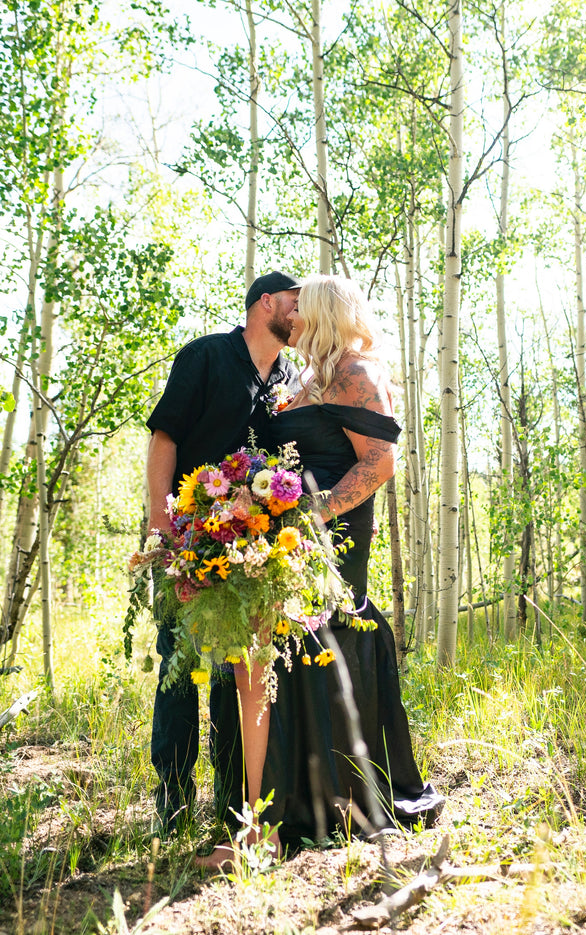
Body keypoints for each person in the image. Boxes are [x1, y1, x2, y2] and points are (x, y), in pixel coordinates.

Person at [200, 274, 443, 866]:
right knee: (275, 652)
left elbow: (381, 463)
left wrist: (312, 513)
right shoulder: (309, 376)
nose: (293, 320)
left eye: (301, 310)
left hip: (332, 533)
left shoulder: (359, 371)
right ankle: (281, 817)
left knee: (315, 639)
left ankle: (314, 812)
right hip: (294, 536)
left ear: (324, 314)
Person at [146, 270, 301, 833]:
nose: (300, 313)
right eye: (294, 302)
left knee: (238, 676)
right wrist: (162, 529)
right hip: (189, 539)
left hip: (254, 552)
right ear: (266, 304)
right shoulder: (206, 356)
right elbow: (164, 437)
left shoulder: (290, 378)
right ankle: (172, 804)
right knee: (183, 670)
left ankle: (231, 807)